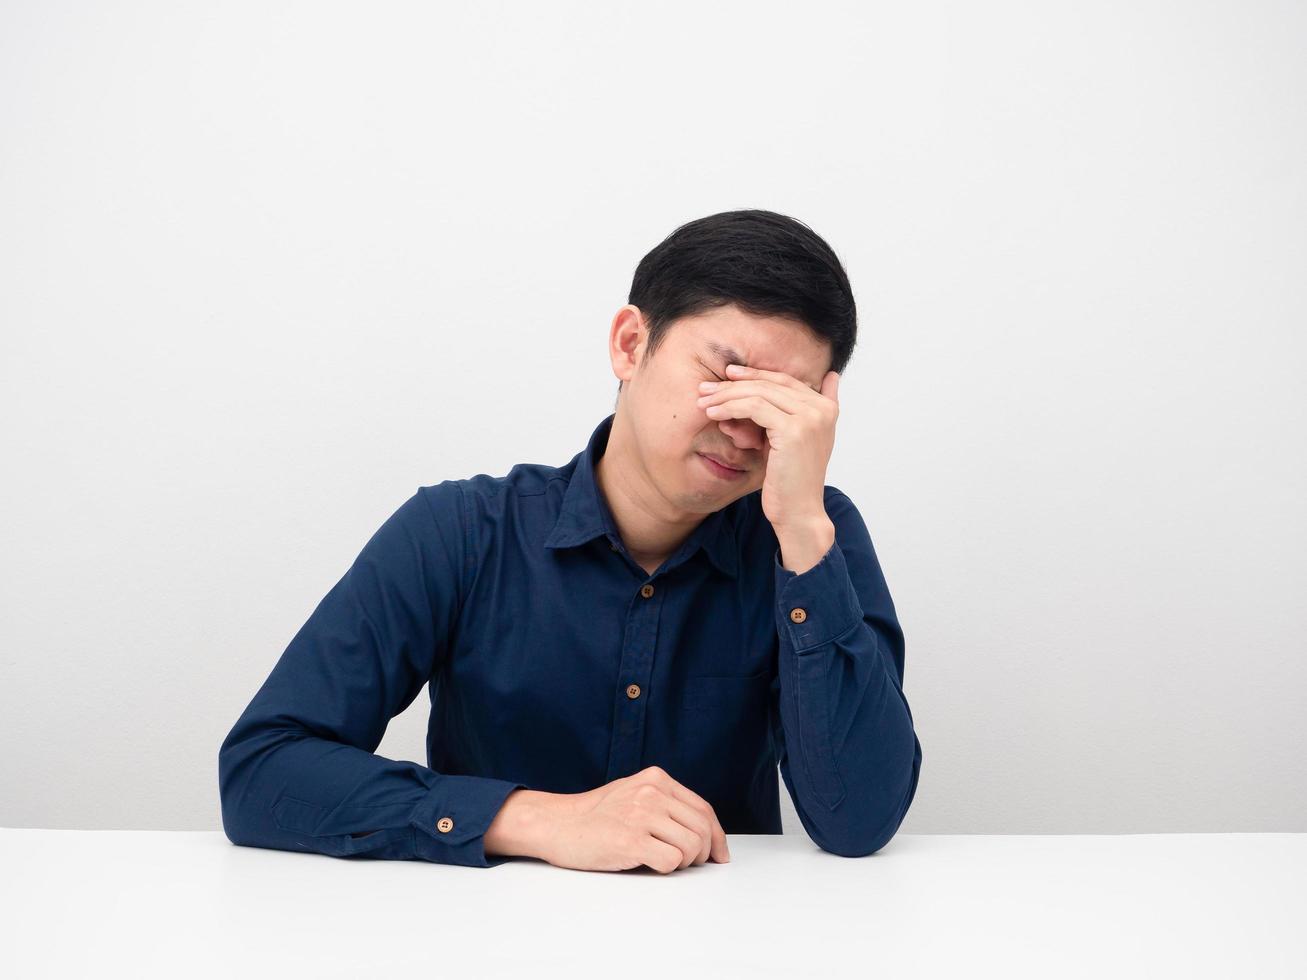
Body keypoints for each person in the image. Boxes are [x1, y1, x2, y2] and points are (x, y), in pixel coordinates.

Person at [218, 209, 923, 873]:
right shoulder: (461, 532)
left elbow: (856, 823)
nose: (743, 426)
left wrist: (801, 528)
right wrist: (538, 821)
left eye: (780, 403)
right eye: (725, 375)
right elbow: (264, 769)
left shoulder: (809, 537)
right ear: (630, 344)